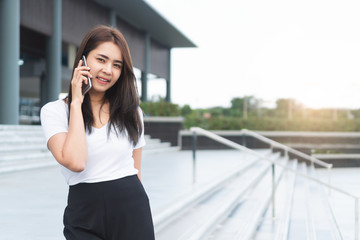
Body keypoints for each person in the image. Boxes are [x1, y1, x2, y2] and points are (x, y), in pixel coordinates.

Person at [40, 25, 155, 240]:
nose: (108, 70)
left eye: (117, 65)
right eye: (101, 60)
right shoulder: (54, 111)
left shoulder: (131, 112)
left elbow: (136, 172)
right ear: (82, 61)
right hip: (84, 213)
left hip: (131, 208)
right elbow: (76, 162)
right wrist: (76, 102)